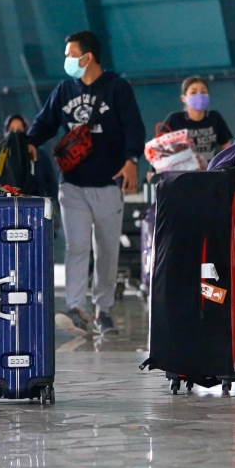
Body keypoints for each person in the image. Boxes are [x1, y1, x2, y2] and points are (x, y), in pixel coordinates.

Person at [26, 30, 145, 336]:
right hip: (72, 184)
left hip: (108, 183)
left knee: (106, 250)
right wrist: (27, 143)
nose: (66, 60)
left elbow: (134, 127)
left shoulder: (117, 88)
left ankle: (103, 310)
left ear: (87, 57)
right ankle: (76, 307)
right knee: (77, 246)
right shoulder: (64, 90)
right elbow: (45, 123)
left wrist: (132, 161)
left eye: (70, 54)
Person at [161, 77, 233, 166]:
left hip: (210, 170)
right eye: (193, 92)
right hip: (182, 172)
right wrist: (152, 171)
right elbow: (158, 148)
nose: (199, 96)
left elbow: (226, 147)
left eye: (203, 92)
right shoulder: (175, 119)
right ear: (183, 98)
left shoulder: (214, 117)